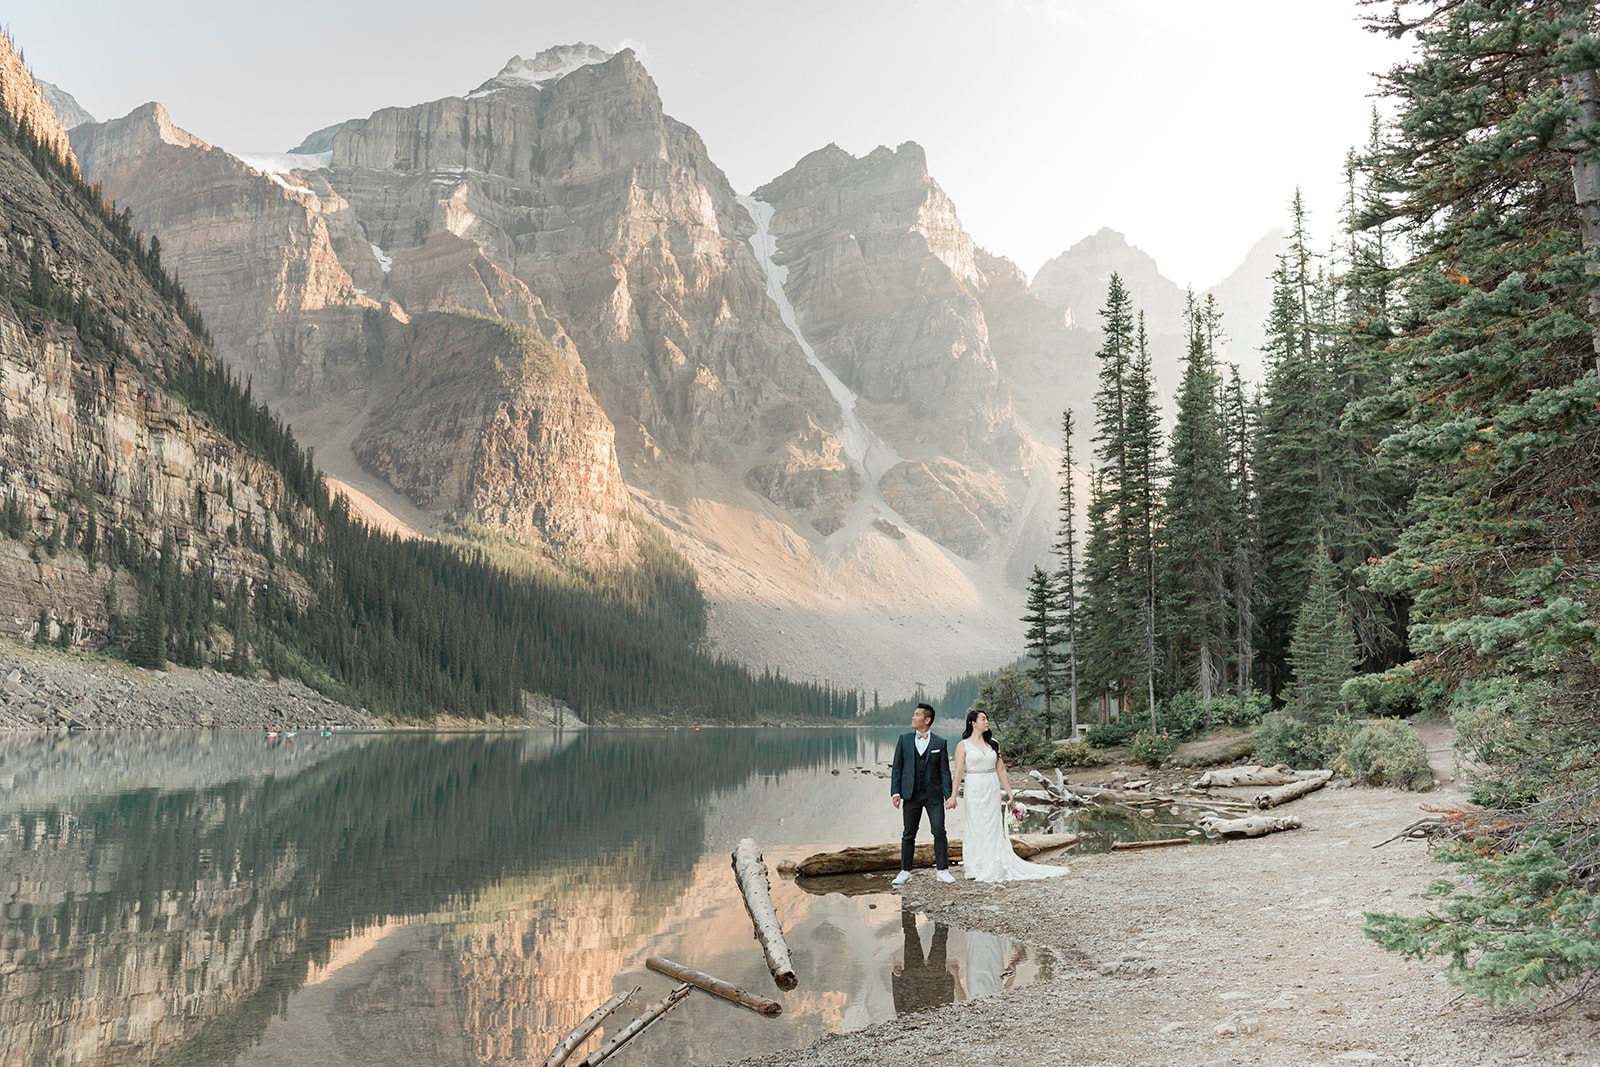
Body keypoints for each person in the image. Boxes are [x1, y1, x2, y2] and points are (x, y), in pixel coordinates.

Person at [950, 709, 1071, 882]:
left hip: (991, 786)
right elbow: (959, 771)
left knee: (993, 824)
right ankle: (976, 865)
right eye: (983, 719)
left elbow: (1001, 768)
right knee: (976, 825)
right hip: (974, 787)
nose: (987, 722)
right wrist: (953, 796)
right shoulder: (963, 745)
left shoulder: (993, 743)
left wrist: (1009, 791)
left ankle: (995, 862)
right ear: (973, 723)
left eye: (987, 719)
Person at [889, 702, 956, 886]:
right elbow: (897, 768)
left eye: (917, 715)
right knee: (908, 833)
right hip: (910, 795)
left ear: (927, 720)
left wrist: (949, 796)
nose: (913, 717)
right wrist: (895, 792)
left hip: (933, 796)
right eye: (913, 714)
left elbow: (944, 772)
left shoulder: (939, 743)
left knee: (939, 831)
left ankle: (942, 870)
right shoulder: (903, 740)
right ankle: (905, 871)